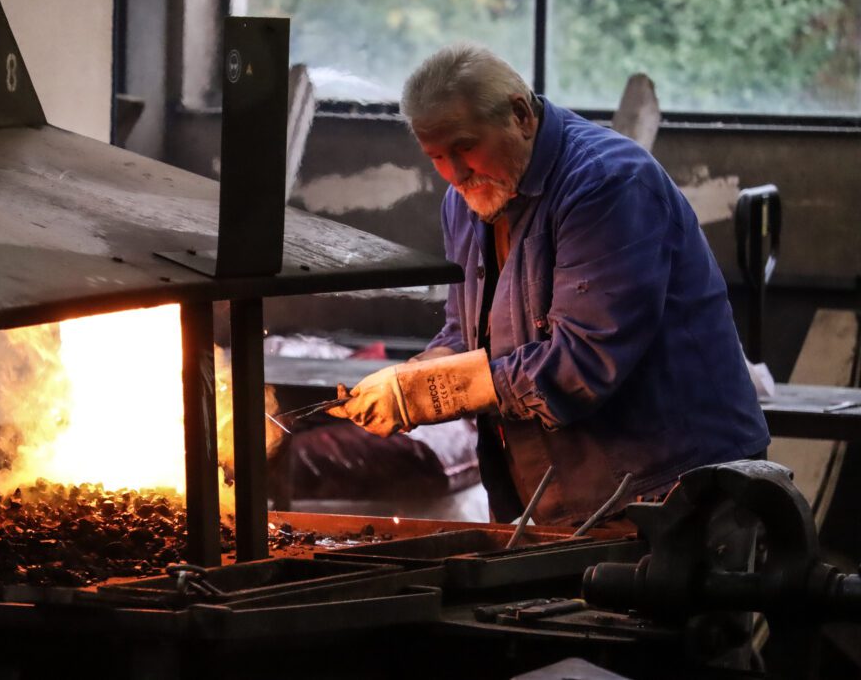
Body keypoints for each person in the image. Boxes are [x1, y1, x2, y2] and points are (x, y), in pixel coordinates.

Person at [330, 44, 770, 526]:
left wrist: (426, 392)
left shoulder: (608, 184)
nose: (454, 173)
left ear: (519, 114)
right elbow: (466, 334)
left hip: (673, 492)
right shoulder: (466, 198)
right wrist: (411, 375)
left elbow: (584, 361)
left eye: (463, 147)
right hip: (566, 498)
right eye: (436, 156)